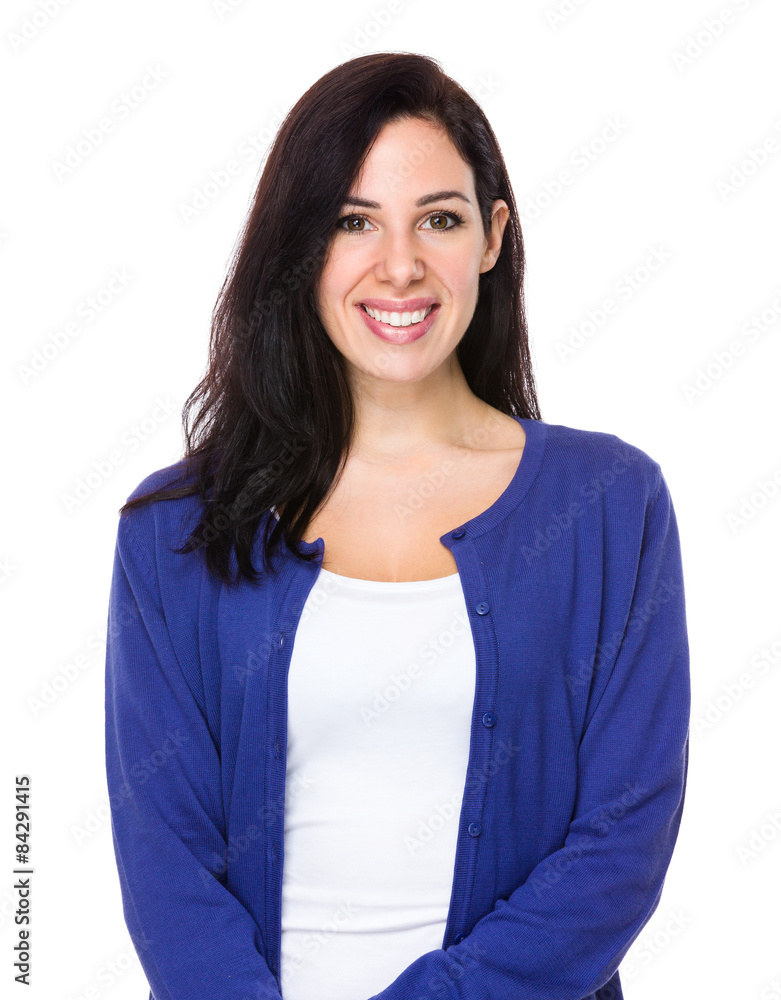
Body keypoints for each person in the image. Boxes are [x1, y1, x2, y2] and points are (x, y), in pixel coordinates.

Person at [104, 52, 690, 1000]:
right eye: (353, 222)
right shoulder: (177, 531)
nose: (401, 265)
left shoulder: (609, 505)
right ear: (300, 247)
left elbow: (623, 841)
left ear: (492, 236)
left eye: (439, 219)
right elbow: (165, 867)